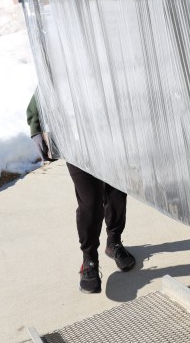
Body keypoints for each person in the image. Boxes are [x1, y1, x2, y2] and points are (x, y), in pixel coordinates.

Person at [27, 89, 136, 293]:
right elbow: (43, 88)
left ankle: (114, 242)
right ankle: (89, 260)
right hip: (75, 140)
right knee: (90, 203)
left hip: (111, 135)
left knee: (117, 193)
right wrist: (36, 129)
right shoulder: (62, 67)